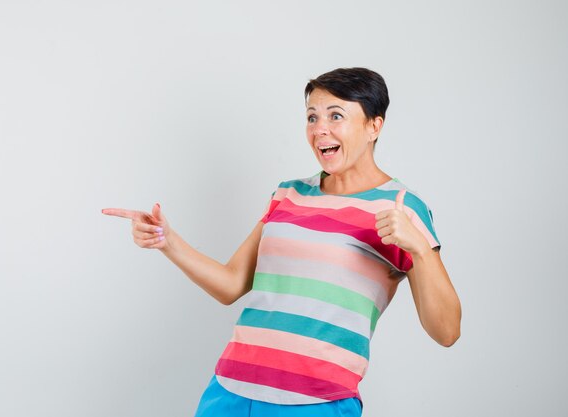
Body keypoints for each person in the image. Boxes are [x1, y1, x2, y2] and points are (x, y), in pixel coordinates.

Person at [102, 67, 462, 417]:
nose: (320, 130)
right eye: (312, 117)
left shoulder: (401, 207)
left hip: (318, 402)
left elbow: (446, 331)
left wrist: (419, 249)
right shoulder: (288, 194)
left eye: (336, 116)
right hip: (230, 389)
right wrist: (167, 240)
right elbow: (231, 285)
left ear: (373, 126)